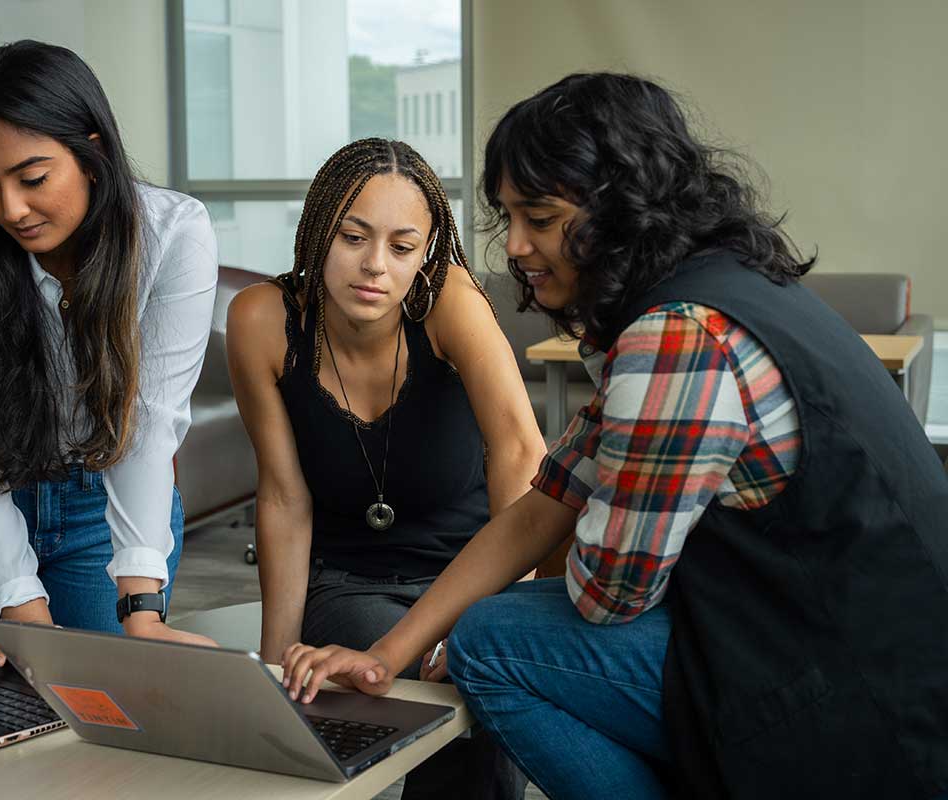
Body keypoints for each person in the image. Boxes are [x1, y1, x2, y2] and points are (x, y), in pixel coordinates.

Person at [279, 74, 948, 800]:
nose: (520, 248)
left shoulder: (677, 338)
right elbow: (545, 503)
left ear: (628, 207)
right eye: (510, 217)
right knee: (500, 628)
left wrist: (466, 624)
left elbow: (609, 593)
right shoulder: (726, 287)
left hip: (861, 696)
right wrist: (388, 652)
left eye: (540, 217)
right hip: (859, 644)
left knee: (491, 643)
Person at [226, 138, 545, 799]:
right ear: (318, 231)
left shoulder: (450, 301)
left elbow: (520, 453)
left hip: (467, 572)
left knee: (479, 683)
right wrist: (273, 667)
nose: (375, 266)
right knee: (419, 687)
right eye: (352, 237)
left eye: (402, 248)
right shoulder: (262, 320)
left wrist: (504, 618)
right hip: (348, 584)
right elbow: (284, 499)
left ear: (426, 254)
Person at [0, 40, 218, 656]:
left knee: (101, 715)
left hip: (99, 502)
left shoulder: (172, 237)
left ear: (91, 150)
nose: (11, 210)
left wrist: (142, 609)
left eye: (33, 178)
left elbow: (146, 428)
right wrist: (19, 605)